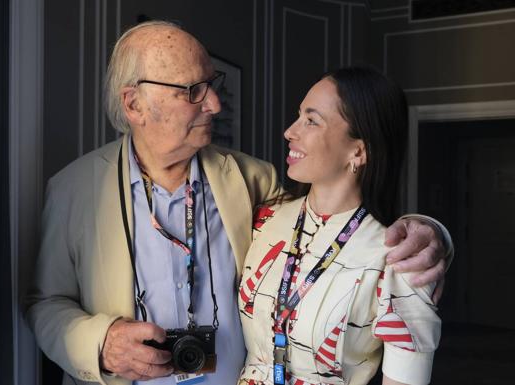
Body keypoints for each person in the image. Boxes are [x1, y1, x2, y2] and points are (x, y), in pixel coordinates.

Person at [24, 21, 451, 385]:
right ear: (135, 104)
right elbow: (45, 303)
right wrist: (100, 343)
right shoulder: (73, 189)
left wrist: (427, 231)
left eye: (213, 85)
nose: (214, 103)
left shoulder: (253, 181)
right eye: (193, 91)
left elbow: (336, 224)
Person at [238, 67, 441, 385]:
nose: (290, 132)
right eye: (298, 116)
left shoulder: (399, 258)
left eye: (311, 120)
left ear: (358, 151)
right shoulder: (263, 221)